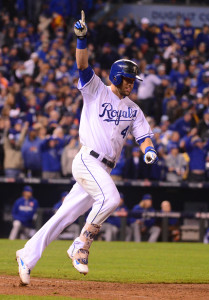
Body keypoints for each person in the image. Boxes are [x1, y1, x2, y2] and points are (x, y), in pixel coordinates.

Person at [16, 11, 158, 286]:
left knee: (64, 215)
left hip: (103, 167)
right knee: (112, 199)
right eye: (129, 80)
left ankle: (27, 255)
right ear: (117, 77)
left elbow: (144, 136)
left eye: (133, 81)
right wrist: (81, 39)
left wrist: (149, 150)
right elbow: (83, 66)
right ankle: (81, 244)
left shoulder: (133, 109)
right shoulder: (97, 90)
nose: (132, 84)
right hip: (87, 160)